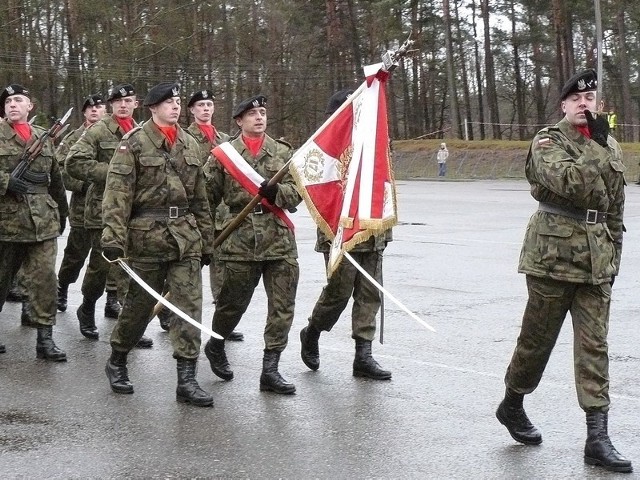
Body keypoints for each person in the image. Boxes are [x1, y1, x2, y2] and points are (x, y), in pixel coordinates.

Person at [495, 69, 632, 473]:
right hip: (552, 259)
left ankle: (597, 437)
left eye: (591, 99)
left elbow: (614, 206)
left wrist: (614, 260)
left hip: (596, 261)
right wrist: (596, 144)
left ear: (598, 104)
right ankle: (512, 403)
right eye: (576, 99)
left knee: (595, 347)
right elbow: (571, 183)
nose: (584, 104)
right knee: (537, 342)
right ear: (564, 105)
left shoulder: (610, 143)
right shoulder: (547, 141)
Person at [101, 82, 215, 406]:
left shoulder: (191, 144)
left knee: (188, 306)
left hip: (185, 237)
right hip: (146, 236)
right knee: (139, 307)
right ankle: (118, 358)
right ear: (152, 108)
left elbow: (200, 199)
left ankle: (187, 379)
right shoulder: (133, 143)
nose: (175, 107)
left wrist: (206, 240)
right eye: (168, 103)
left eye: (178, 102)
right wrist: (112, 237)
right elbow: (117, 194)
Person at [205, 94, 301, 394]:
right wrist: (204, 240)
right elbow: (205, 199)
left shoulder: (284, 152)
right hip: (238, 239)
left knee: (282, 307)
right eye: (252, 114)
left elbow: (299, 192)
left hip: (278, 239)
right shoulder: (223, 155)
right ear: (239, 121)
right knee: (232, 305)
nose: (259, 117)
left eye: (262, 112)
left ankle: (270, 369)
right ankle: (216, 342)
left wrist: (278, 195)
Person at [299, 89, 392, 381]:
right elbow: (320, 187)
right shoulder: (326, 146)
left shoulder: (375, 141)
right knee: (339, 292)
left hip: (371, 229)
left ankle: (363, 356)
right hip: (338, 229)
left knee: (369, 293)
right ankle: (312, 331)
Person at [65, 84, 152, 348]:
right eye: (117, 101)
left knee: (130, 269)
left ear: (136, 103)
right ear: (111, 105)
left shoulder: (144, 132)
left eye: (127, 100)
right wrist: (114, 173)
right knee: (101, 267)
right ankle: (88, 305)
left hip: (135, 211)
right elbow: (74, 162)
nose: (122, 105)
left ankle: (130, 326)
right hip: (102, 209)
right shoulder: (98, 130)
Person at [154, 89, 244, 341]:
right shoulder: (184, 137)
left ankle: (221, 320)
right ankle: (166, 308)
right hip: (189, 211)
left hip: (219, 212)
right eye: (200, 105)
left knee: (221, 267)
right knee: (181, 266)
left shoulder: (225, 140)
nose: (206, 109)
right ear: (192, 111)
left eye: (209, 105)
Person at [0, 83, 68, 360]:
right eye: (8, 102)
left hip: (43, 222)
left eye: (18, 100)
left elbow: (55, 181)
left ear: (30, 107)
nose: (13, 105)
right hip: (6, 224)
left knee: (44, 281)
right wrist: (5, 181)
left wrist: (62, 213)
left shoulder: (44, 138)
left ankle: (45, 338)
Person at [56, 93, 110, 312]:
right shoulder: (73, 138)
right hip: (81, 209)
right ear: (85, 112)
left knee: (106, 258)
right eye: (90, 108)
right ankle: (62, 287)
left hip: (109, 207)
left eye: (99, 107)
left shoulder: (117, 134)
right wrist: (83, 184)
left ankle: (111, 298)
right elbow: (59, 170)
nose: (95, 110)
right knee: (75, 254)